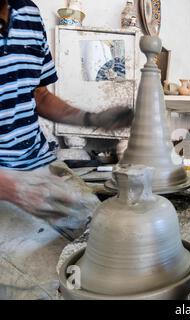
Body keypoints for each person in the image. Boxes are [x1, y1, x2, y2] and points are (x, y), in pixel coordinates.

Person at [0, 0, 133, 220]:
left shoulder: (28, 13)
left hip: (38, 162)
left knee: (100, 223)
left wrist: (92, 119)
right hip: (6, 184)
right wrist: (13, 189)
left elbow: (39, 95)